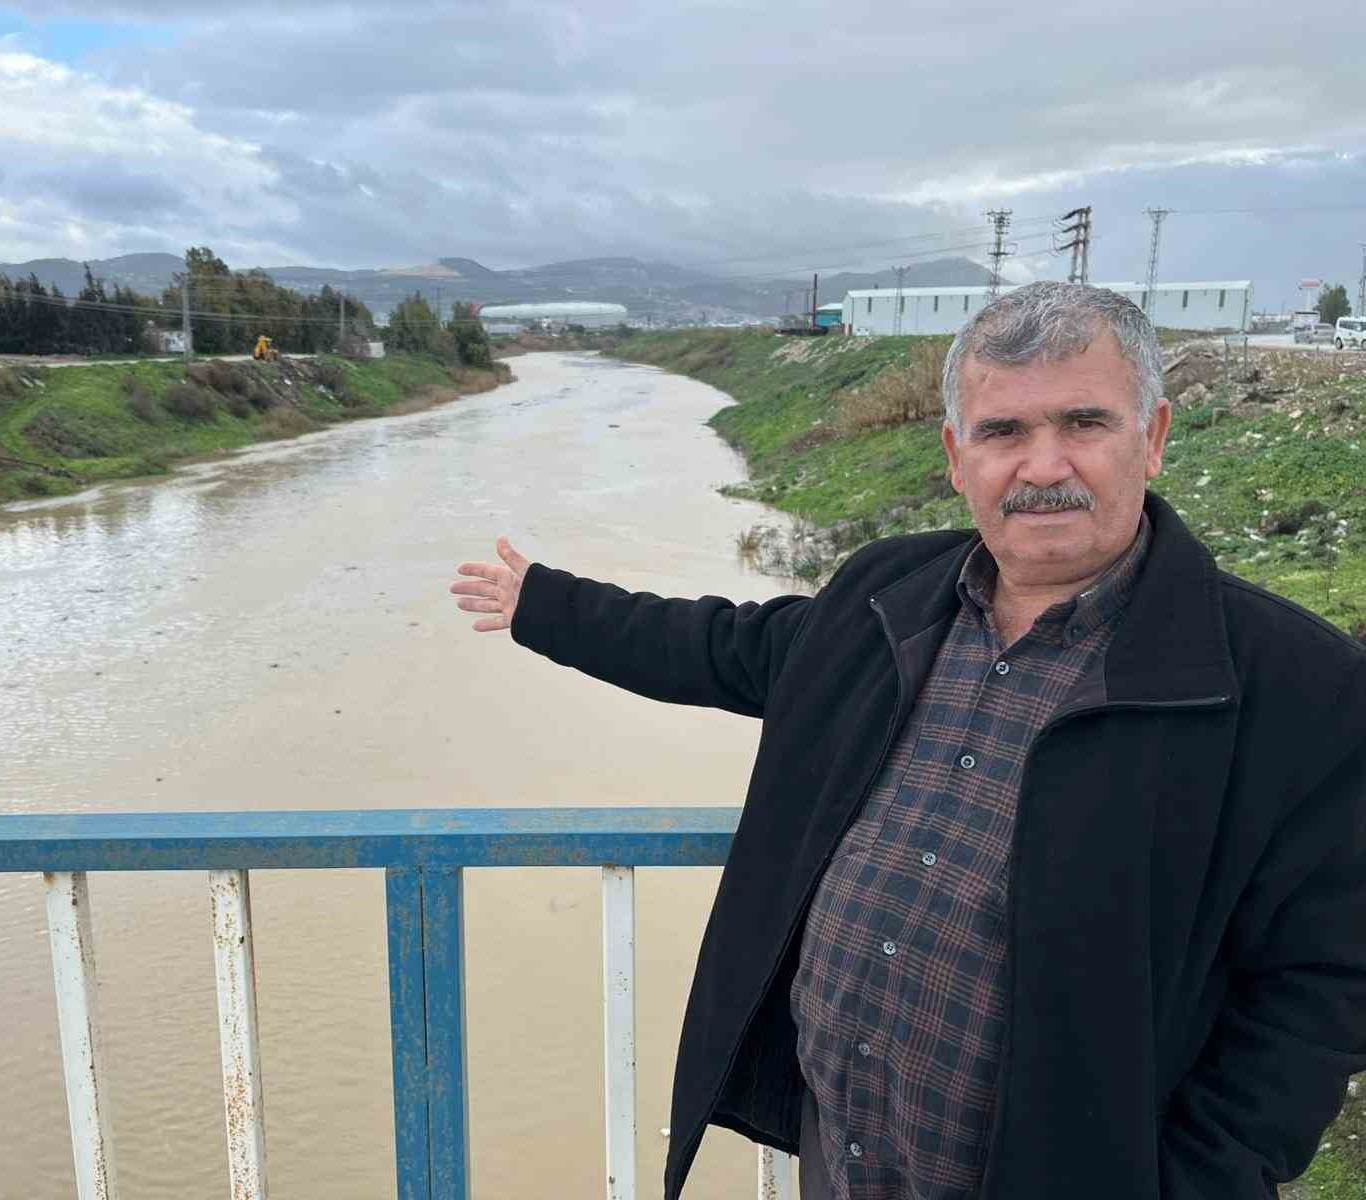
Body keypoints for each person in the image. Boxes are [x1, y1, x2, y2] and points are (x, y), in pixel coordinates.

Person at [449, 282, 1366, 1200]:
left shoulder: (1292, 686)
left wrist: (1206, 1177)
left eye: (1084, 422)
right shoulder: (885, 598)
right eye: (1003, 432)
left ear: (1154, 436)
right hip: (844, 1151)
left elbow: (1320, 984)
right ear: (956, 456)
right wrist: (547, 606)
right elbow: (722, 646)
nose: (1044, 465)